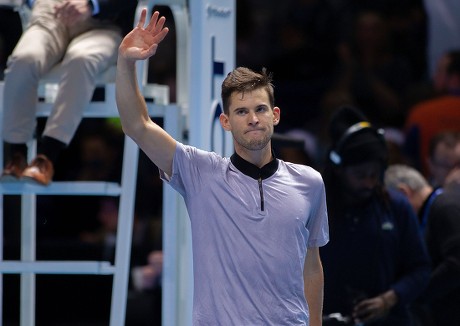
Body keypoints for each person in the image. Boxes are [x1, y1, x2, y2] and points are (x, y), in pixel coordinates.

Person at [115, 9, 330, 325]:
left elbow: (312, 265)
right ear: (226, 122)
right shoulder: (200, 172)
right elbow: (137, 124)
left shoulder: (310, 182)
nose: (253, 118)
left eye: (260, 109)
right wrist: (126, 62)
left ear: (276, 115)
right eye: (242, 111)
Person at [1, 0, 137, 185]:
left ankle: (47, 157)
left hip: (102, 25)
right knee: (24, 60)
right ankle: (16, 155)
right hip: (50, 16)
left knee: (82, 60)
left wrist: (92, 4)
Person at [319, 106, 430, 325]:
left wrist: (390, 299)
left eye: (374, 174)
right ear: (339, 170)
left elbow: (421, 268)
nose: (369, 183)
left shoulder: (395, 206)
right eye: (360, 175)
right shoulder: (315, 209)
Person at [384, 164, 460, 326]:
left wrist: (415, 291)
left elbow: (456, 263)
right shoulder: (438, 205)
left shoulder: (444, 206)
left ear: (404, 193)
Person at [404, 49, 460, 175]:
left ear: (455, 78)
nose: (434, 77)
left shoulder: (420, 114)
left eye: (440, 71)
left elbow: (409, 163)